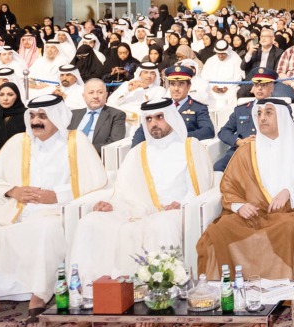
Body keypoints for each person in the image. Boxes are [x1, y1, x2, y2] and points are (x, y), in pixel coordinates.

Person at [0, 95, 107, 327]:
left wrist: (58, 195)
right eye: (32, 115)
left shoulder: (75, 141)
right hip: (12, 207)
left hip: (53, 210)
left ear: (57, 117)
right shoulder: (18, 142)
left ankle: (37, 300)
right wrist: (13, 191)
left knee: (43, 232)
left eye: (42, 116)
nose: (35, 121)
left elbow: (96, 179)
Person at [68, 98, 212, 283]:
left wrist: (182, 203)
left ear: (171, 117)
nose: (154, 124)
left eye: (160, 117)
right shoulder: (139, 151)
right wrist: (110, 204)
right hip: (137, 209)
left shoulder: (190, 147)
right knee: (90, 222)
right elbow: (124, 191)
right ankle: (90, 289)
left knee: (161, 225)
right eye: (149, 119)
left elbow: (200, 187)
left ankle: (162, 288)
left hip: (176, 211)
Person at [196, 98, 294, 281]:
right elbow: (229, 185)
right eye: (259, 113)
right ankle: (223, 289)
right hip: (252, 214)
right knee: (220, 228)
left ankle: (276, 292)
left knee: (287, 229)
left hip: (287, 214)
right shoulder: (247, 150)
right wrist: (239, 206)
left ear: (282, 116)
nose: (262, 118)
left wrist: (290, 191)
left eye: (269, 113)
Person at [129, 66, 213, 146]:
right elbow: (142, 131)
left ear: (188, 86)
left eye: (180, 84)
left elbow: (208, 131)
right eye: (173, 84)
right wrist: (134, 153)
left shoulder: (198, 107)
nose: (176, 89)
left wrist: (178, 137)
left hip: (183, 150)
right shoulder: (160, 105)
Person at [214, 68, 275, 170]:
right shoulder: (241, 109)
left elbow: (289, 131)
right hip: (241, 150)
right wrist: (239, 142)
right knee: (219, 167)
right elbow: (224, 131)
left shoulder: (281, 109)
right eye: (256, 85)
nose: (259, 88)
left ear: (272, 87)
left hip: (268, 151)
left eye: (264, 85)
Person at [67, 79, 127, 155]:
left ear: (106, 95)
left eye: (100, 92)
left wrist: (83, 149)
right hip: (69, 157)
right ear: (84, 96)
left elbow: (113, 144)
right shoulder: (73, 114)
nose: (95, 96)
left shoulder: (116, 115)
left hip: (96, 159)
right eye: (91, 93)